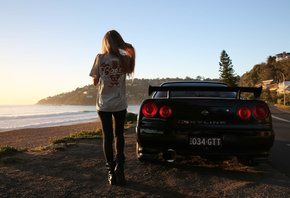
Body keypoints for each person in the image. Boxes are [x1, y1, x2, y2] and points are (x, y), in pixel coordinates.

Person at [89, 30, 135, 185]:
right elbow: (129, 71)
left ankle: (110, 173)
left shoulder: (100, 58)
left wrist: (105, 77)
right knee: (119, 135)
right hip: (120, 103)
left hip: (104, 105)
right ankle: (120, 167)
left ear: (105, 43)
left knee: (107, 138)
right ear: (119, 42)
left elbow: (95, 81)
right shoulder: (125, 59)